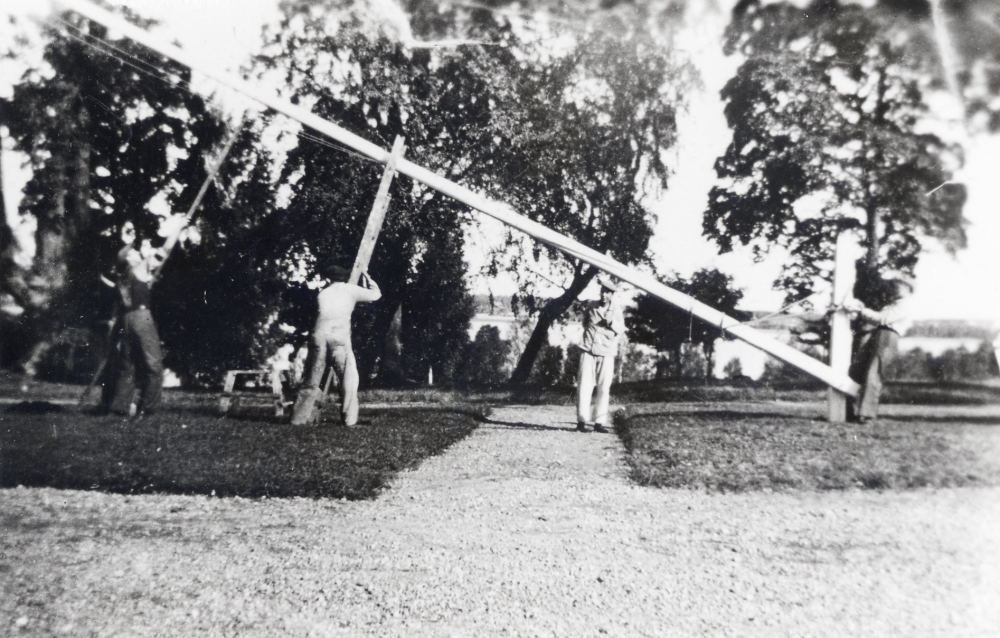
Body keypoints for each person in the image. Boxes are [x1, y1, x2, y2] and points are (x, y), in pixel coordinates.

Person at [290, 262, 381, 427]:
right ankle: (349, 420)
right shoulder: (350, 290)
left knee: (311, 378)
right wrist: (366, 275)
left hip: (318, 336)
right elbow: (376, 295)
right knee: (349, 378)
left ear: (328, 279)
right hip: (338, 336)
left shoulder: (322, 294)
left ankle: (298, 418)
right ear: (344, 277)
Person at [98, 225, 166, 419]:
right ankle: (149, 409)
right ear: (130, 258)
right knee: (154, 365)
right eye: (136, 251)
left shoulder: (123, 275)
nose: (140, 251)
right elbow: (163, 253)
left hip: (127, 318)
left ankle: (118, 409)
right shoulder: (138, 266)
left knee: (128, 364)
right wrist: (179, 225)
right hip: (141, 318)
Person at [840, 295, 904, 424]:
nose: (892, 289)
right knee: (855, 372)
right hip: (875, 334)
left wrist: (860, 310)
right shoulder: (890, 304)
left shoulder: (904, 304)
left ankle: (866, 415)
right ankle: (847, 411)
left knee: (874, 373)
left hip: (888, 335)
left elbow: (883, 319)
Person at [576, 275, 626, 433]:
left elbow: (621, 329)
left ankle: (599, 423)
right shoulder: (591, 305)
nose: (604, 295)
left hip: (606, 352)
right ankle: (582, 422)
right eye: (602, 291)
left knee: (604, 388)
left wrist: (611, 322)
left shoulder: (616, 309)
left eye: (607, 293)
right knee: (584, 386)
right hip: (588, 351)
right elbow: (585, 323)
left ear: (612, 295)